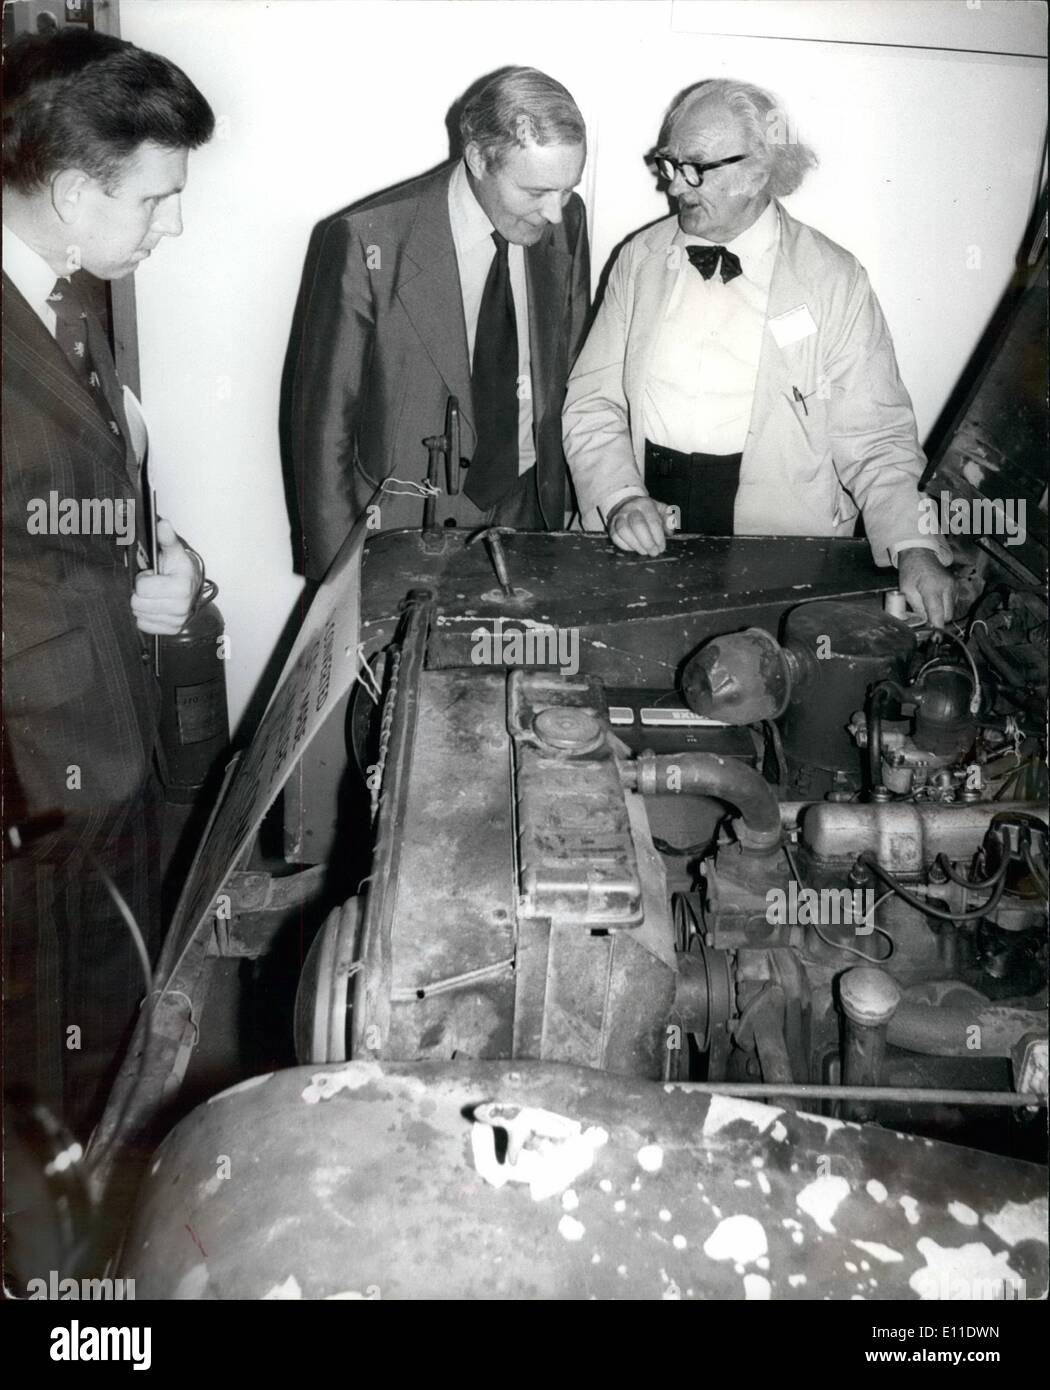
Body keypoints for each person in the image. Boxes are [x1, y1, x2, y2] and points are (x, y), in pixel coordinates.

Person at [2, 27, 214, 1134]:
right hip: (31, 781)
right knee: (40, 1050)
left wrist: (155, 557)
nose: (169, 225)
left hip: (100, 746)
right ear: (76, 191)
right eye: (153, 199)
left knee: (99, 1017)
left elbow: (54, 499)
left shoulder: (65, 291)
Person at [562, 79, 955, 628]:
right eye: (669, 163)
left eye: (695, 167)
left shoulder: (833, 280)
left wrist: (913, 544)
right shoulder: (640, 260)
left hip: (779, 542)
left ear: (759, 168)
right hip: (646, 518)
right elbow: (592, 402)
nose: (675, 186)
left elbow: (877, 440)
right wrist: (621, 497)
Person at [287, 66, 591, 581]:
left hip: (529, 513)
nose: (555, 213)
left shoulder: (569, 220)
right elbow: (323, 424)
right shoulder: (369, 239)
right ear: (477, 158)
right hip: (403, 526)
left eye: (566, 190)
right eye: (536, 191)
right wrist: (337, 575)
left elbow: (573, 374)